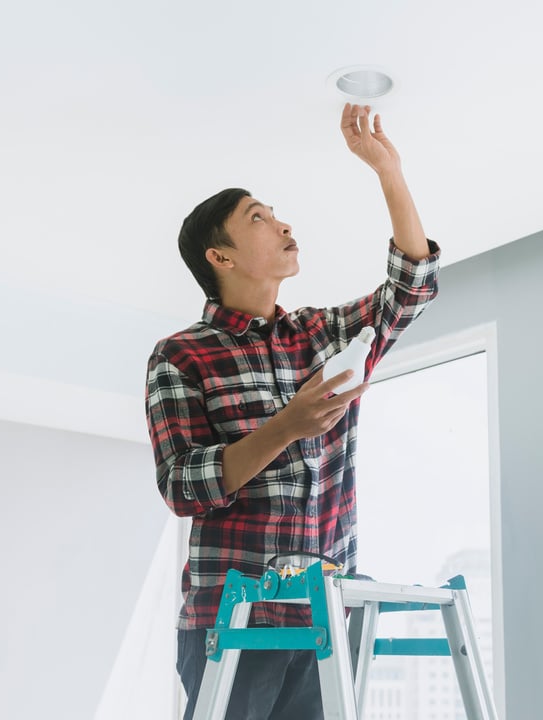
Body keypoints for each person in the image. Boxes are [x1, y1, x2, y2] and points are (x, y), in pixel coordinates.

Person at [145, 103, 440, 719]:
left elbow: (410, 288)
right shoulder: (181, 356)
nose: (282, 224)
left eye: (277, 214)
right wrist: (285, 428)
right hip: (232, 622)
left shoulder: (320, 335)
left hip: (327, 616)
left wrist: (388, 171)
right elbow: (182, 486)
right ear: (219, 258)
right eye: (259, 218)